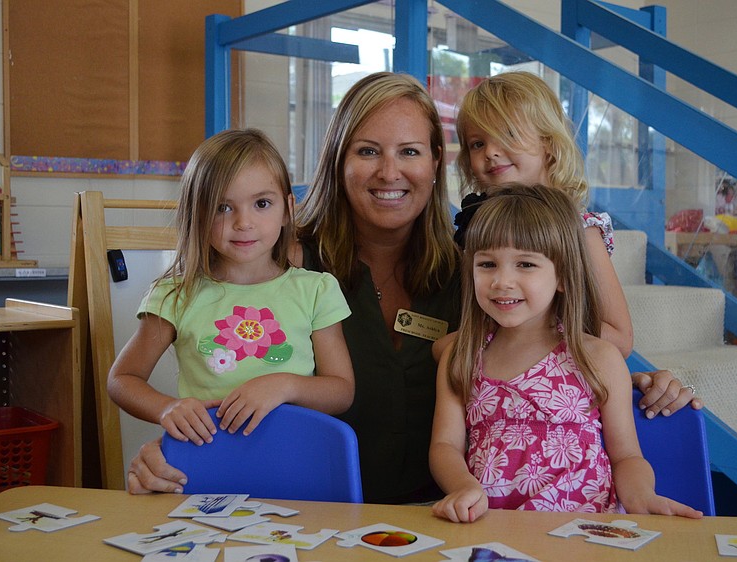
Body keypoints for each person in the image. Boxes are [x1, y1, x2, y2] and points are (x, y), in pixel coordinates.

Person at [125, 72, 699, 499]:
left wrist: (637, 380)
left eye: (410, 152)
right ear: (336, 161)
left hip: (444, 521)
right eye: (367, 151)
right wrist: (177, 448)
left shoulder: (478, 276)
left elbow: (552, 361)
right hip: (301, 512)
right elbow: (228, 371)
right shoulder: (281, 265)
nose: (389, 171)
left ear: (436, 164)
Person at [429, 185, 703, 522]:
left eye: (526, 264)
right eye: (487, 264)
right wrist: (461, 487)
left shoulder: (599, 357)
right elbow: (445, 446)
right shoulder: (461, 355)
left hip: (584, 533)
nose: (501, 281)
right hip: (490, 531)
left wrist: (641, 496)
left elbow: (627, 457)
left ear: (562, 276)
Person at [450, 70, 701, 417]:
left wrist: (537, 322)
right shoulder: (475, 232)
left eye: (508, 134)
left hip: (559, 398)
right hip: (489, 392)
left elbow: (619, 337)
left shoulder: (580, 231)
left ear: (548, 145)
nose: (492, 152)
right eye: (478, 143)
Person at [108, 128, 355, 449]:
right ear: (198, 213)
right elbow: (122, 380)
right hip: (208, 461)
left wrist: (284, 385)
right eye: (223, 207)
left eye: (262, 203)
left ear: (288, 208)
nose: (244, 222)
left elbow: (341, 391)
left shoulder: (317, 290)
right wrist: (167, 408)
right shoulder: (175, 295)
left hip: (295, 458)